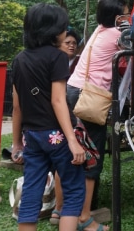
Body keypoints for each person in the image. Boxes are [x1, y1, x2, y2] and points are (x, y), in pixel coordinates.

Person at [10, 3, 86, 231]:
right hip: (57, 135)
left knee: (32, 189)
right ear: (53, 30)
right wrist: (73, 141)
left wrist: (16, 143)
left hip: (31, 136)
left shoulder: (19, 59)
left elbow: (16, 107)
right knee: (73, 189)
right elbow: (58, 100)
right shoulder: (57, 57)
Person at [67, 0, 128, 231]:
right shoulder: (116, 35)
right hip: (89, 97)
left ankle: (63, 209)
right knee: (92, 156)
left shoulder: (99, 30)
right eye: (125, 14)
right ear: (117, 18)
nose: (128, 18)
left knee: (76, 150)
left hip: (74, 90)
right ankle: (84, 217)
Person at [50, 28, 82, 225]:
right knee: (63, 163)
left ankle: (66, 208)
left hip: (78, 116)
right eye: (67, 42)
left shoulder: (79, 63)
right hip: (57, 118)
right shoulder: (52, 62)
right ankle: (59, 207)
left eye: (74, 43)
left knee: (71, 163)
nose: (71, 45)